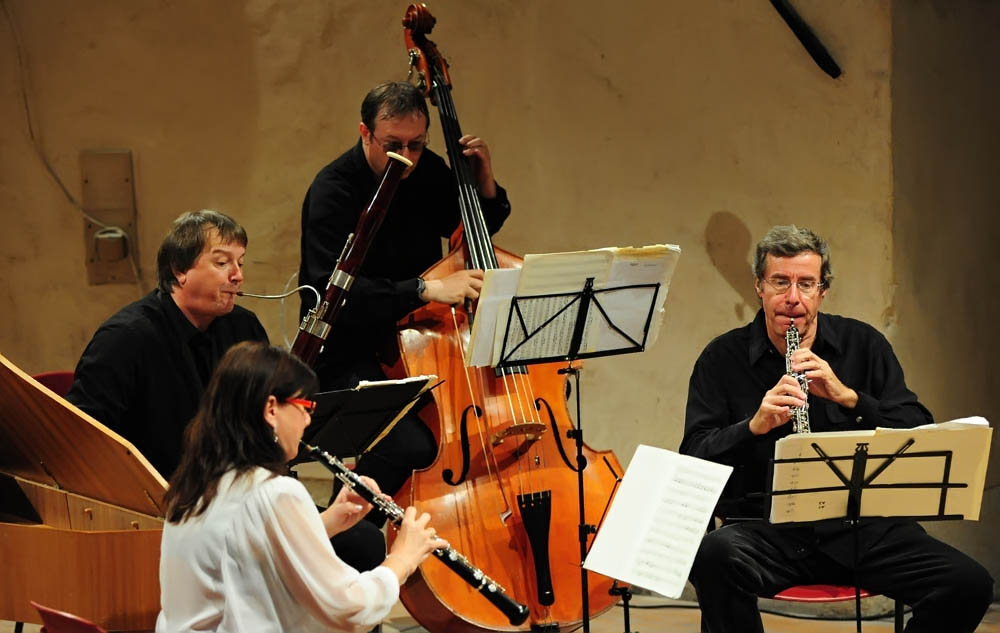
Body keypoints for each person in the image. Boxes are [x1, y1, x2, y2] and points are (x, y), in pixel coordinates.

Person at [680, 225, 993, 633]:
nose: (793, 298)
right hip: (768, 532)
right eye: (780, 282)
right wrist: (752, 427)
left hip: (863, 529)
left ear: (822, 291)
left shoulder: (864, 344)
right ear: (759, 286)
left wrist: (849, 398)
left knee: (968, 584)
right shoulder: (721, 358)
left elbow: (918, 428)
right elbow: (693, 455)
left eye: (806, 284)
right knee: (713, 556)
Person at [298, 82, 512, 548]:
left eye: (417, 145)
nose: (407, 157)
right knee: (411, 445)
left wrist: (484, 182)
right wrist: (424, 289)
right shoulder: (333, 191)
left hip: (412, 343)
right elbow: (336, 295)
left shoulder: (426, 172)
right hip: (347, 349)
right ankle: (343, 543)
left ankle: (346, 551)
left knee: (439, 437)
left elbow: (471, 229)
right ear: (365, 134)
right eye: (393, 145)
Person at [156, 341, 447, 633]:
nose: (308, 420)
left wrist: (328, 522)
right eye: (305, 406)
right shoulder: (273, 492)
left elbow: (243, 555)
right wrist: (404, 557)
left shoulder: (198, 484)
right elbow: (349, 608)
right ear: (271, 408)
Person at [67, 210, 268, 477]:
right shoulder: (125, 338)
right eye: (222, 263)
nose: (237, 276)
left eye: (240, 263)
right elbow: (83, 436)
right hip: (155, 502)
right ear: (180, 270)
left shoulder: (244, 327)